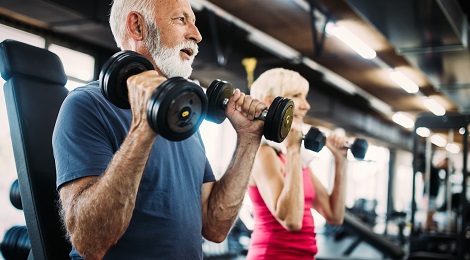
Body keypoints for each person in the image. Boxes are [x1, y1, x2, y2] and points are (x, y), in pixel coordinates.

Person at [52, 0, 267, 259]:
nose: (197, 35)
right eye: (181, 20)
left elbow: (214, 227)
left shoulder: (184, 118)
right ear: (138, 26)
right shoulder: (86, 105)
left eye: (195, 23)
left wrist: (248, 139)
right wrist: (144, 127)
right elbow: (89, 242)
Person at [246, 68, 349, 259]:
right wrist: (293, 149)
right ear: (270, 102)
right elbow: (292, 221)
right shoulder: (264, 154)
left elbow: (334, 216)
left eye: (305, 97)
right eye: (297, 96)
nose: (306, 105)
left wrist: (340, 160)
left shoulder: (296, 160)